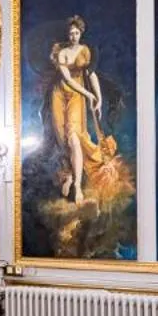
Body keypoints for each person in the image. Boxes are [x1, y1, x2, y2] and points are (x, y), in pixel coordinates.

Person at [47, 16, 116, 202]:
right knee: (64, 140)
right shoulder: (61, 53)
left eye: (76, 33)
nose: (73, 36)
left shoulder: (85, 51)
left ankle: (77, 185)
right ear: (67, 34)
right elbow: (68, 79)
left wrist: (98, 97)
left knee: (75, 138)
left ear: (81, 33)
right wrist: (89, 94)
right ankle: (69, 173)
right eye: (71, 33)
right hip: (60, 95)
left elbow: (90, 74)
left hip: (77, 96)